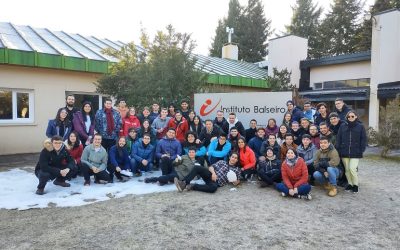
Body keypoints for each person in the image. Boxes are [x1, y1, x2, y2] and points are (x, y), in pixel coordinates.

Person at [174, 152, 241, 193]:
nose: (233, 159)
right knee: (197, 167)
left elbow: (238, 180)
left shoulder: (237, 169)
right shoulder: (222, 162)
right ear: (230, 157)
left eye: (235, 158)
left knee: (213, 189)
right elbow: (211, 167)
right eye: (232, 157)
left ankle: (193, 186)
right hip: (210, 175)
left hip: (216, 182)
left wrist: (236, 182)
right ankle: (184, 183)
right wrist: (214, 173)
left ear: (237, 160)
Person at [336, 110, 367, 193]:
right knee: (347, 170)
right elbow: (339, 138)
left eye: (352, 116)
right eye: (348, 116)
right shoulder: (343, 126)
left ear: (356, 117)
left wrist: (362, 149)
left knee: (352, 168)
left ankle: (355, 185)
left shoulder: (360, 126)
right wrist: (339, 149)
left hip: (356, 152)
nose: (350, 118)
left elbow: (363, 139)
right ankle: (350, 184)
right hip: (344, 152)